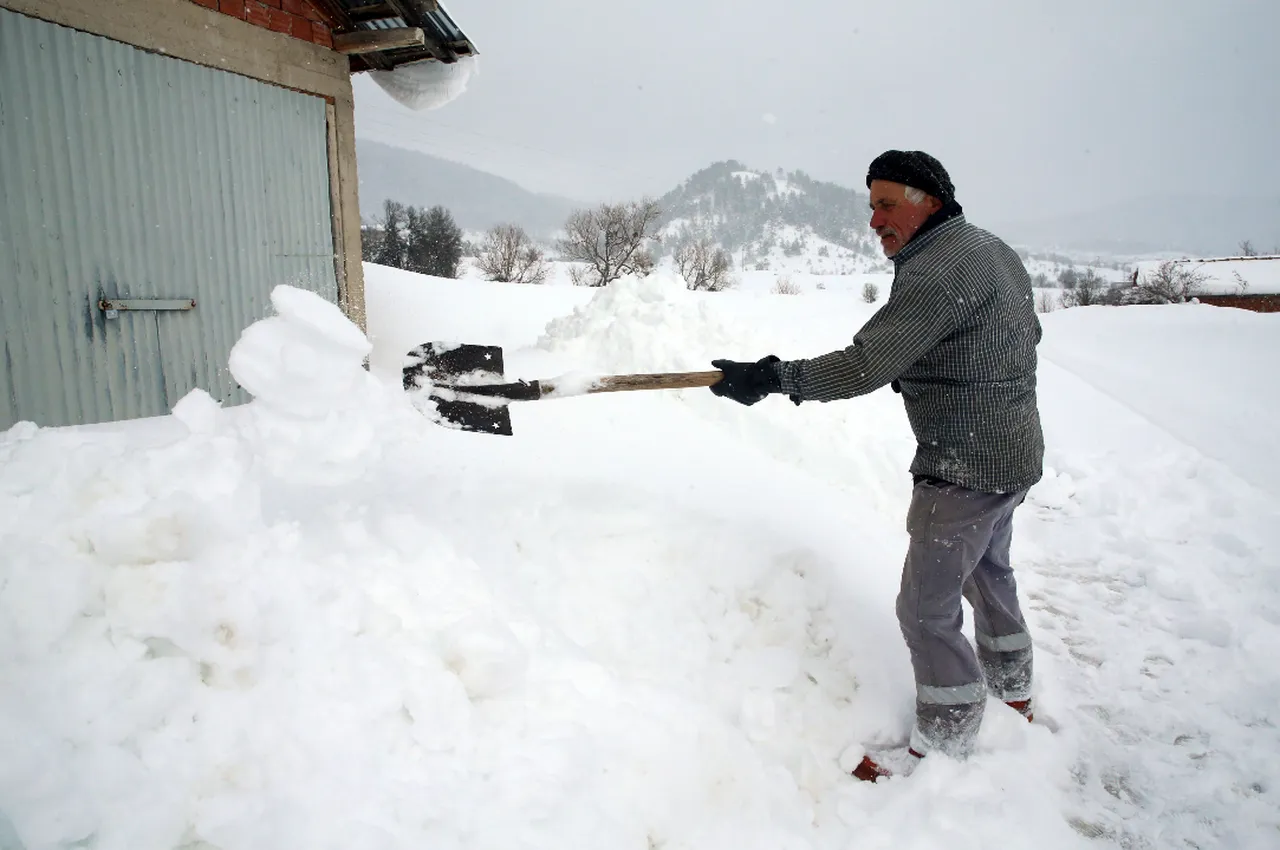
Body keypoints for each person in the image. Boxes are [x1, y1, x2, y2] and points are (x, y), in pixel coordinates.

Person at [708, 150, 1043, 781]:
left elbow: (866, 365)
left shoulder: (937, 272)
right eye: (871, 206)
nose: (874, 222)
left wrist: (773, 377)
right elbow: (1020, 336)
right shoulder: (990, 249)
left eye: (887, 204)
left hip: (964, 466)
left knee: (924, 610)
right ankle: (1013, 690)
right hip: (1014, 453)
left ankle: (947, 743)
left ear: (929, 200)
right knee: (990, 573)